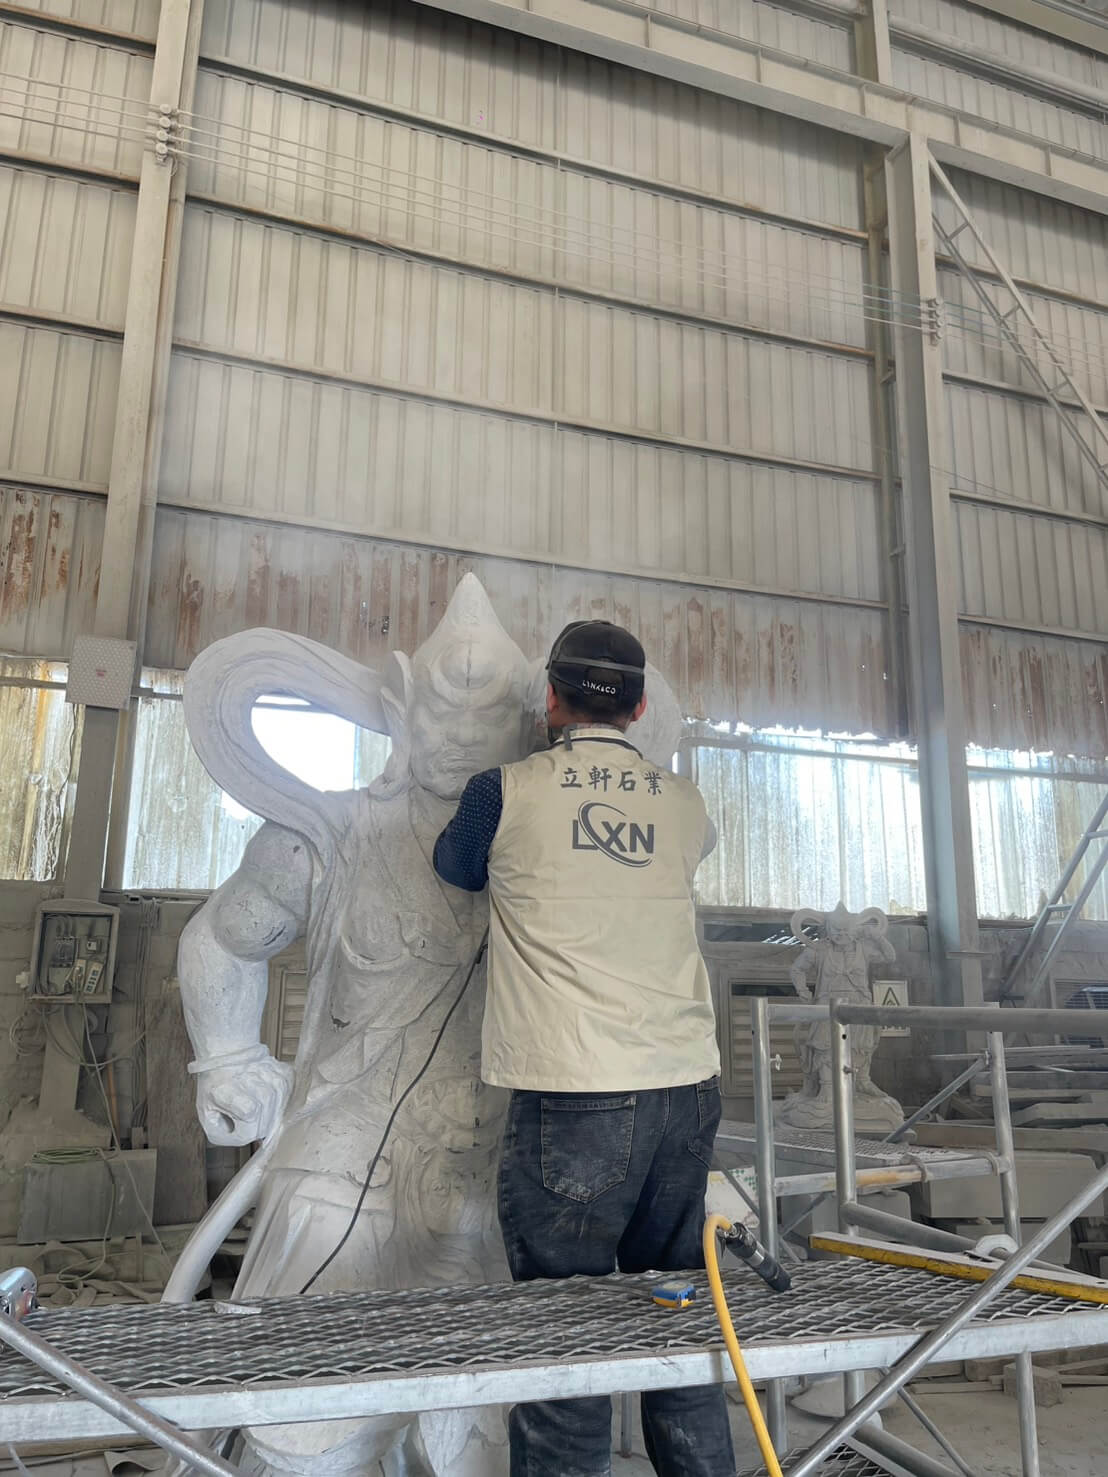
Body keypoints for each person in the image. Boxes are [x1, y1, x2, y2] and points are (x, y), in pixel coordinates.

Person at [433, 619, 734, 1477]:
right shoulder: (686, 803)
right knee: (678, 1316)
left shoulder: (499, 792)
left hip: (576, 1097)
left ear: (549, 700)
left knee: (567, 1341)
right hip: (687, 1092)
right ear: (639, 708)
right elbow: (683, 858)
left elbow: (454, 867)